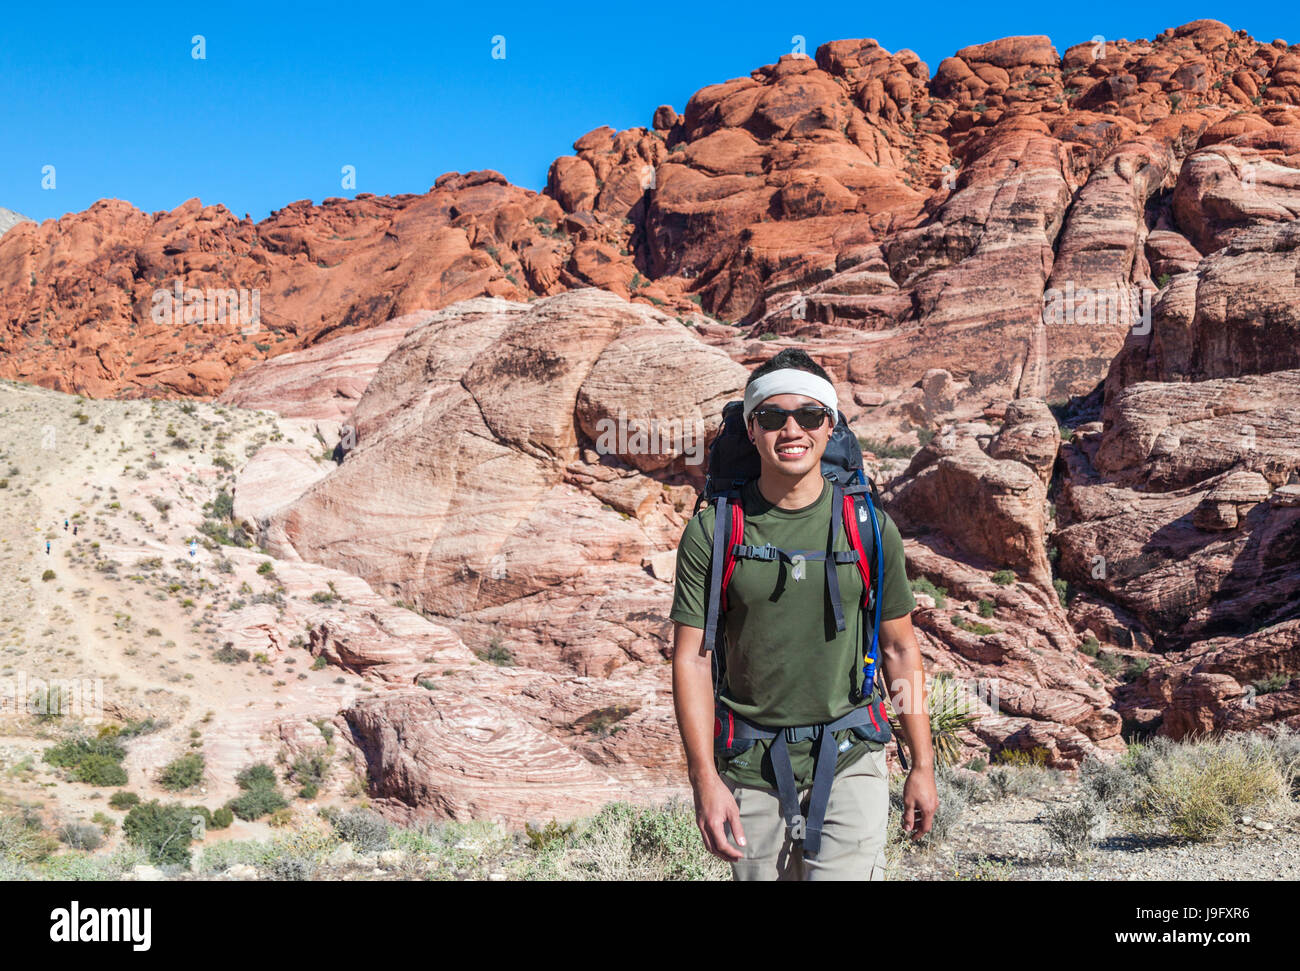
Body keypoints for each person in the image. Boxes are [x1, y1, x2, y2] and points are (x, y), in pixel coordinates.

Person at [670, 348, 937, 880]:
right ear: (751, 430)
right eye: (772, 417)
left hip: (850, 754)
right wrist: (705, 780)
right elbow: (692, 662)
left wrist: (923, 765)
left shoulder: (869, 527)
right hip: (749, 765)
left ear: (829, 423)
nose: (791, 429)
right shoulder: (714, 532)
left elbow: (900, 650)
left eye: (809, 415)